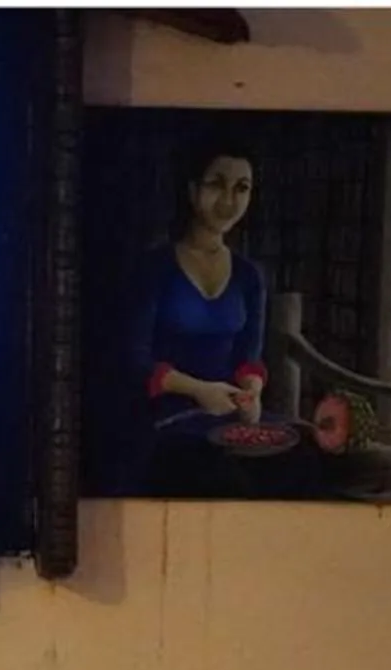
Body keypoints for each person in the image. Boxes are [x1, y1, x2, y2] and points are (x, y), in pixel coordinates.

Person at [113, 137, 279, 495]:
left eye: (242, 188)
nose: (229, 200)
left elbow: (250, 357)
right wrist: (200, 390)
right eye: (217, 184)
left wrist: (252, 392)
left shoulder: (249, 276)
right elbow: (134, 359)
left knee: (295, 465)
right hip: (164, 416)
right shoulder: (154, 268)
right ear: (192, 190)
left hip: (228, 416)